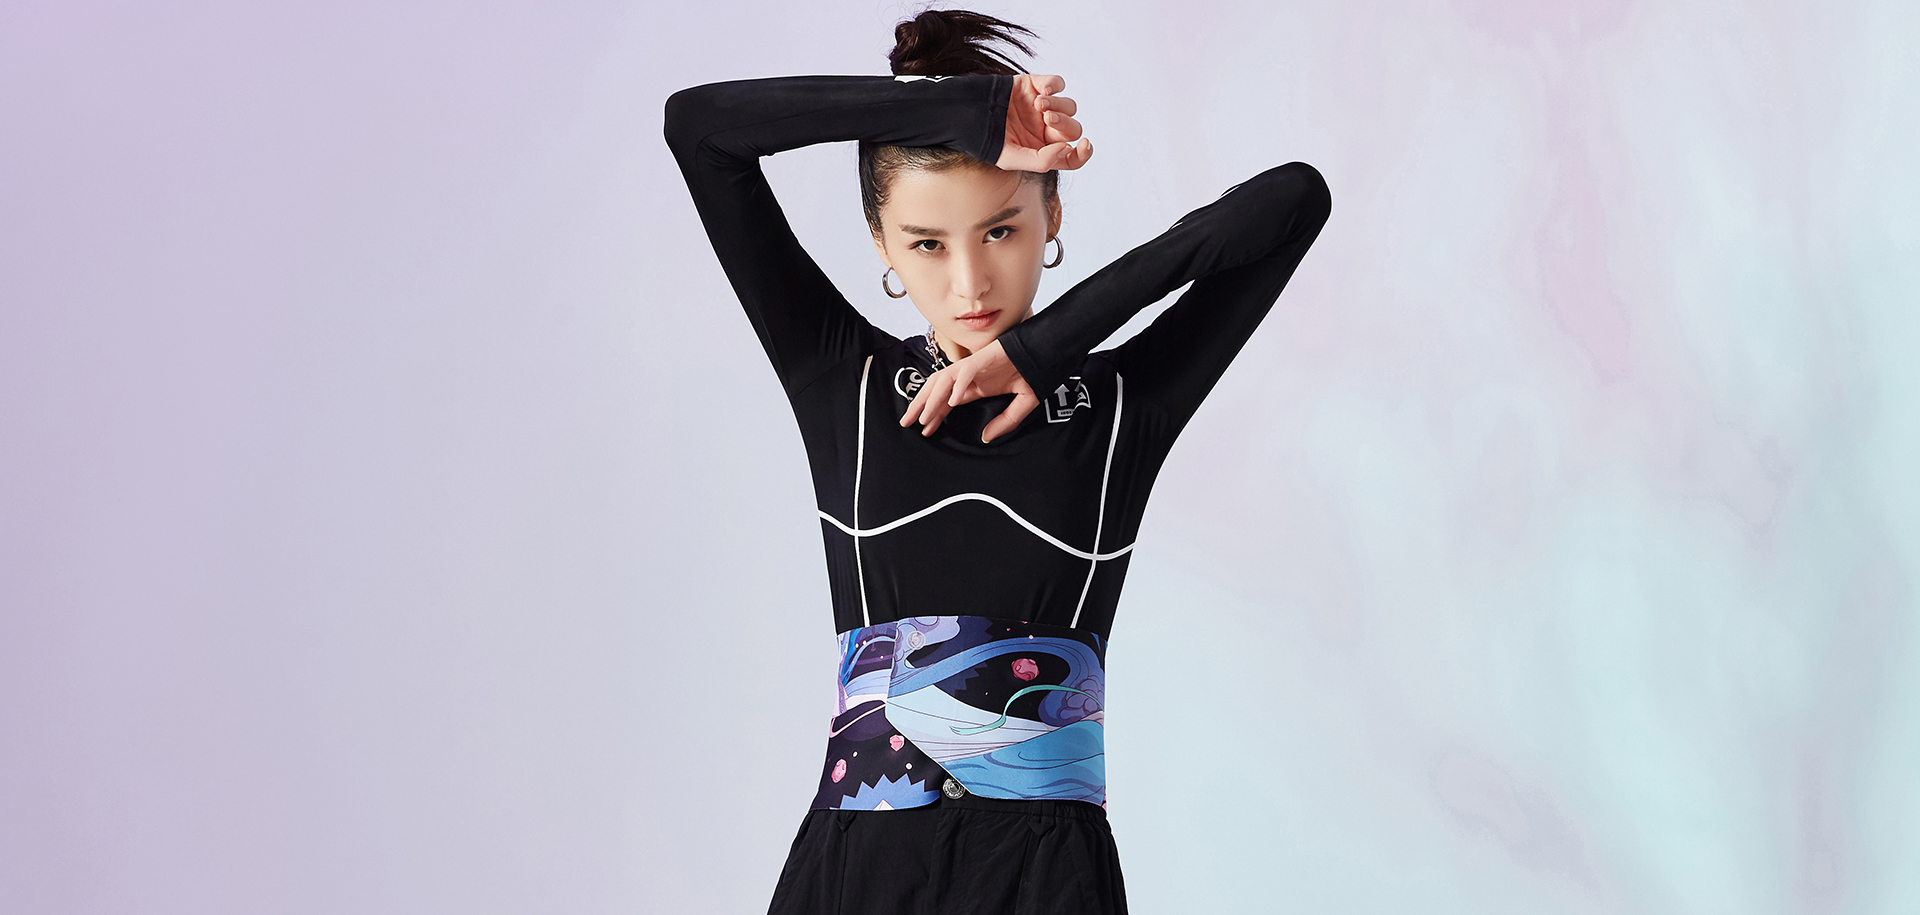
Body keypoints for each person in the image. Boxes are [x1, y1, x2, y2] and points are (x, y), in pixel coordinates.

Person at [664, 8, 1330, 914]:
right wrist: (961, 115)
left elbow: (1294, 200)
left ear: (1052, 212)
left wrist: (1050, 346)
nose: (969, 284)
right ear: (881, 245)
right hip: (858, 868)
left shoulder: (1123, 408)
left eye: (1002, 231)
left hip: (1048, 876)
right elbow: (699, 127)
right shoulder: (843, 382)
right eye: (926, 244)